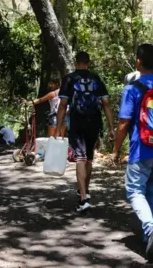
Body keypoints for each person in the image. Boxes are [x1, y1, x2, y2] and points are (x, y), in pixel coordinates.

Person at [111, 44, 153, 263]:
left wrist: (116, 149)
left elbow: (123, 122)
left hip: (142, 146)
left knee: (134, 190)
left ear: (138, 61)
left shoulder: (132, 88)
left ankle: (150, 227)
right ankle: (151, 234)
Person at [56, 51, 115, 212]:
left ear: (76, 63)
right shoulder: (96, 79)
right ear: (88, 63)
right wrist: (111, 128)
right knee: (89, 157)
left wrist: (58, 126)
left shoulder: (69, 79)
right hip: (94, 122)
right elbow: (106, 104)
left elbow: (62, 105)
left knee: (80, 158)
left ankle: (83, 199)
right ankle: (86, 191)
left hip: (77, 122)